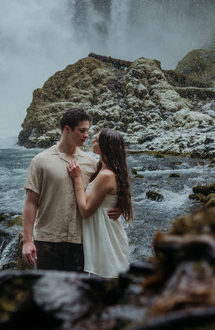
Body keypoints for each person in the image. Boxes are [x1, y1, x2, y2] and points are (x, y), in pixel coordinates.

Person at [22, 108, 98, 271]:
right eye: (82, 130)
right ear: (67, 129)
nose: (86, 135)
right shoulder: (41, 161)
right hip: (48, 240)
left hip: (81, 242)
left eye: (87, 131)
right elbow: (31, 202)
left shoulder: (91, 164)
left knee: (77, 295)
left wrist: (118, 207)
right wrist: (28, 241)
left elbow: (104, 192)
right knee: (47, 295)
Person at [66, 128, 132, 278]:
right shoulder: (104, 169)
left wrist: (77, 179)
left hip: (106, 240)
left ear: (106, 146)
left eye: (97, 140)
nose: (92, 141)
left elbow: (86, 211)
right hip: (105, 236)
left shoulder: (106, 175)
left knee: (105, 287)